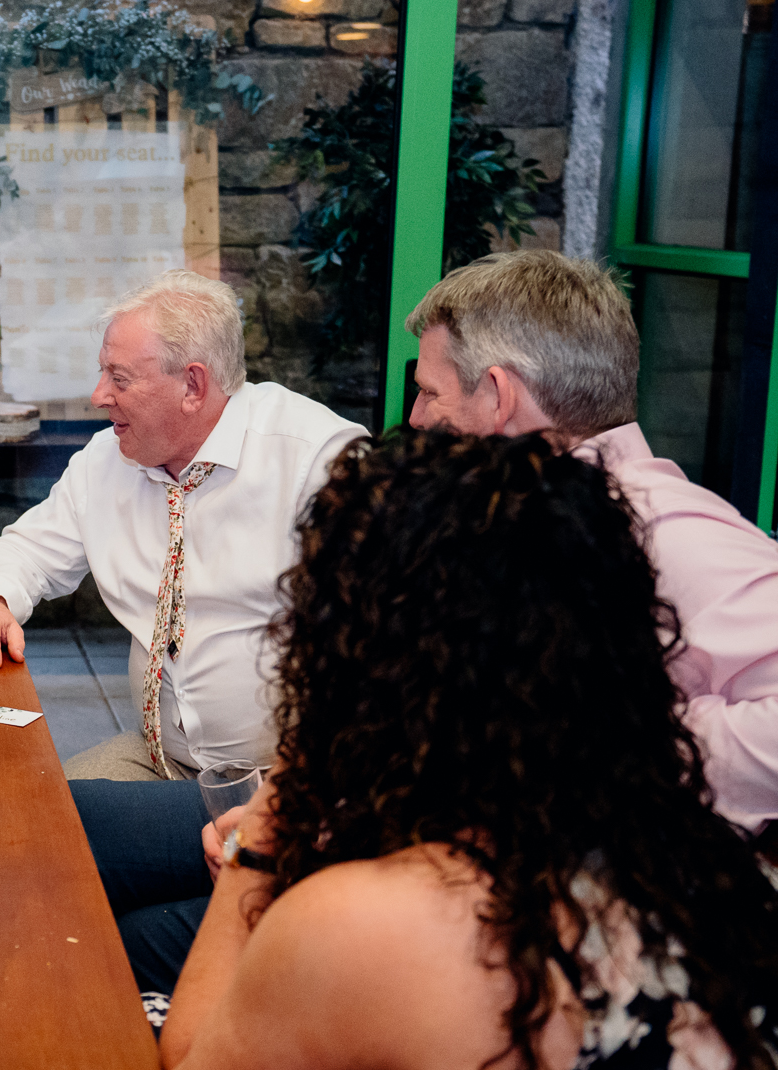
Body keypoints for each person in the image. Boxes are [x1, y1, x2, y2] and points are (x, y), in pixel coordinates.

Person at [162, 431, 778, 1070]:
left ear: (362, 659)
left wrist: (274, 812)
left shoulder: (372, 923)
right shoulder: (714, 869)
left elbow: (187, 1054)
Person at [0, 269, 365, 991]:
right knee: (4, 844)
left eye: (118, 377)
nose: (99, 396)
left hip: (281, 792)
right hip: (159, 755)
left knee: (56, 872)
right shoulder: (109, 459)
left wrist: (291, 802)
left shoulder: (317, 461)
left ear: (194, 385)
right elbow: (27, 550)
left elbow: (381, 655)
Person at [407, 249, 778, 839]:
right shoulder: (533, 515)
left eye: (429, 392)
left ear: (499, 394)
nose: (417, 419)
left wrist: (605, 743)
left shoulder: (662, 528)